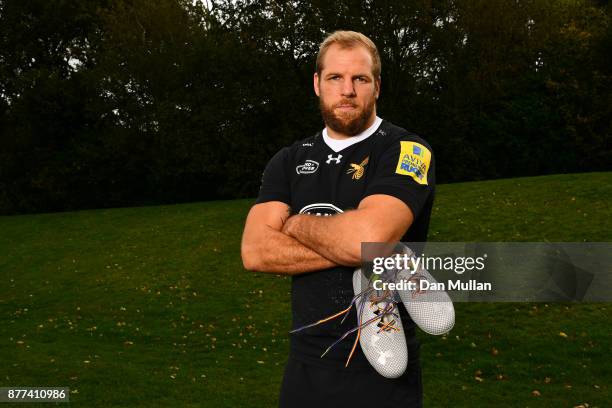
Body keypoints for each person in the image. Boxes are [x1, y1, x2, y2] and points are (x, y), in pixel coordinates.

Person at [241, 30, 435, 408]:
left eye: (360, 79)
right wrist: (361, 247)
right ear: (317, 84)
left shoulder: (406, 149)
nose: (347, 90)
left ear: (377, 86)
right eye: (335, 78)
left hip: (382, 366)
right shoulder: (289, 160)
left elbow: (372, 237)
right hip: (305, 366)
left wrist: (294, 224)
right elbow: (255, 251)